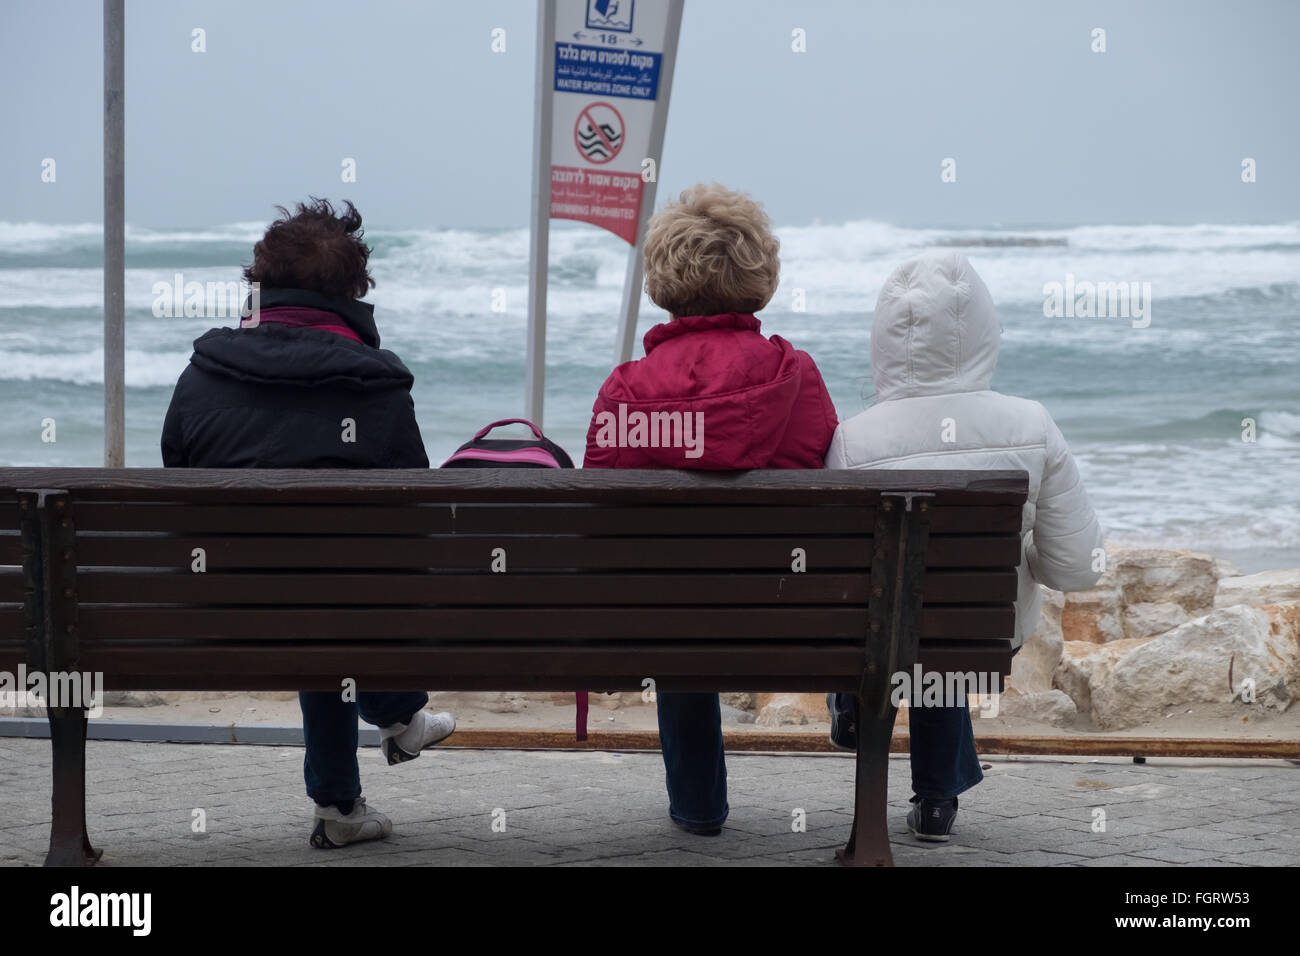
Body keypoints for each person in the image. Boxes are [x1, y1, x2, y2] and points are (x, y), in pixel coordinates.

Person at [161, 198, 455, 849]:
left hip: (216, 616)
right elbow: (414, 522)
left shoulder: (202, 376)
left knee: (313, 586)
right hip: (339, 612)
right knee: (338, 586)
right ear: (354, 291)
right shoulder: (378, 386)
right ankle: (393, 723)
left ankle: (354, 788)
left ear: (259, 286)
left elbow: (178, 488)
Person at [583, 183, 838, 834]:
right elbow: (825, 480)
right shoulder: (795, 373)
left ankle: (698, 807)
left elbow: (600, 514)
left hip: (664, 616)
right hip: (785, 611)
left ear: (664, 281)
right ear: (758, 275)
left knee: (676, 593)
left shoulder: (624, 390)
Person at [825, 250, 1104, 842]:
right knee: (944, 622)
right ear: (984, 329)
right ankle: (936, 799)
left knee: (898, 608)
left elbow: (832, 558)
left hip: (874, 631)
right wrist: (1018, 566)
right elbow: (1075, 566)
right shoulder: (1031, 423)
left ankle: (852, 707)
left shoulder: (851, 439)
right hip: (978, 628)